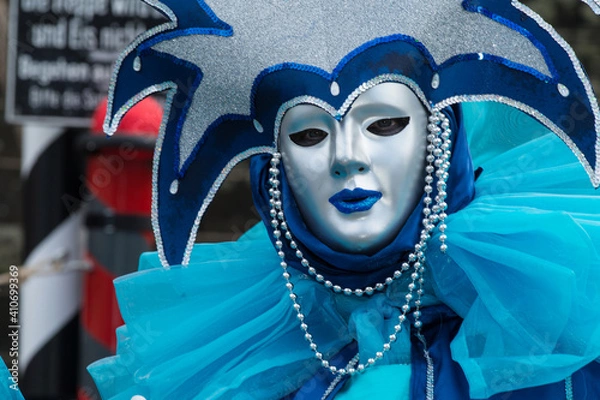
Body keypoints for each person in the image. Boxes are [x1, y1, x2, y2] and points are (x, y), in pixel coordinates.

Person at [87, 1, 600, 399]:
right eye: (310, 134)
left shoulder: (556, 302)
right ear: (276, 168)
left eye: (384, 124)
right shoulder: (241, 346)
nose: (347, 158)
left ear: (437, 136)